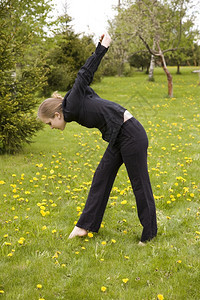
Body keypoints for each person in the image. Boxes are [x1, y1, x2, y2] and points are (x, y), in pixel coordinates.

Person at [37, 32, 157, 243]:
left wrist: (103, 46)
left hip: (130, 134)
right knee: (101, 177)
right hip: (119, 135)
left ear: (57, 115)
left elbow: (85, 73)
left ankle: (149, 235)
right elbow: (86, 88)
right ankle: (85, 227)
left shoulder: (71, 105)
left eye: (50, 124)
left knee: (139, 183)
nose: (52, 128)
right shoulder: (74, 103)